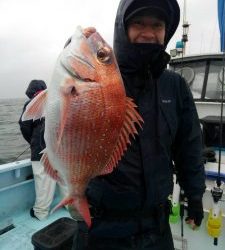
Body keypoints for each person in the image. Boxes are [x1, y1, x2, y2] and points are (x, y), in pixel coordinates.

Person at [72, 0, 206, 249]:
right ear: (123, 28)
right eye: (138, 23)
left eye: (157, 25)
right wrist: (79, 50)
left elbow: (189, 146)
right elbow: (72, 91)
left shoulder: (175, 86)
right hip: (101, 227)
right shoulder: (102, 78)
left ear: (167, 31)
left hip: (157, 226)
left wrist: (195, 194)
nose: (148, 32)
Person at [19, 80, 67, 221]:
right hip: (61, 150)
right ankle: (71, 206)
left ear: (31, 92)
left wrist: (33, 142)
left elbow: (24, 126)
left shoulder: (31, 103)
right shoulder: (59, 100)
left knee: (44, 183)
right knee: (64, 180)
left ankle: (41, 212)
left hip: (41, 150)